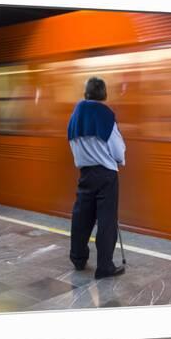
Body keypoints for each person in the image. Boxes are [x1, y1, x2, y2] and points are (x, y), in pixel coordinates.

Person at [67, 77, 126, 279]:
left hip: (85, 173)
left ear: (86, 93)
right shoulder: (105, 115)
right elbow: (117, 149)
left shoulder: (74, 116)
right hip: (106, 174)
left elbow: (72, 143)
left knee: (82, 217)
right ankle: (104, 266)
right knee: (106, 220)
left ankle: (78, 258)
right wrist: (118, 159)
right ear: (104, 94)